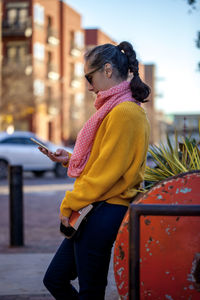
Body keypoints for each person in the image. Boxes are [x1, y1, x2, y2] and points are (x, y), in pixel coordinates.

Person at [40, 41, 150, 300]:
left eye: (89, 77)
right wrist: (69, 159)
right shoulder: (116, 109)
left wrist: (69, 204)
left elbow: (106, 174)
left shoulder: (124, 112)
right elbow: (107, 161)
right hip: (98, 208)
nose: (89, 85)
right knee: (55, 278)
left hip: (106, 209)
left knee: (90, 291)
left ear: (108, 70)